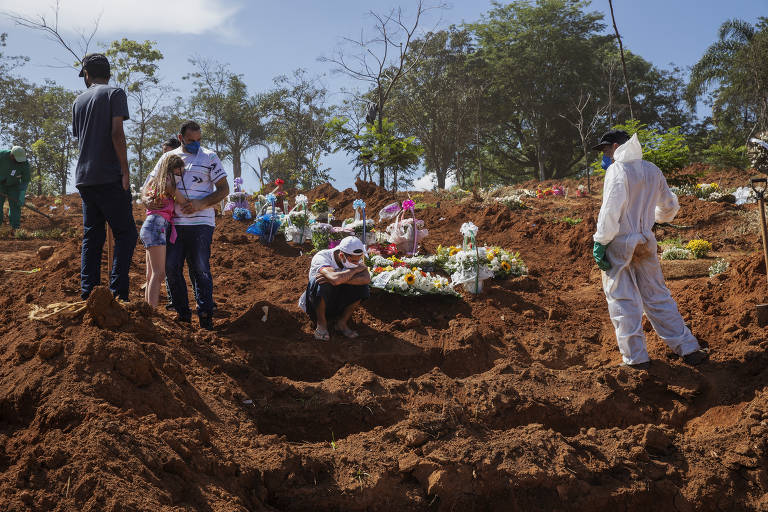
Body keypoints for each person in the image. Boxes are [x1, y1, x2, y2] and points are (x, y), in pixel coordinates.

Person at [592, 130, 709, 370]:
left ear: (615, 146)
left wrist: (600, 242)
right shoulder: (651, 169)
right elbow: (669, 207)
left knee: (623, 300)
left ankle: (636, 360)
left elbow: (610, 212)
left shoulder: (617, 170)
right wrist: (648, 220)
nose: (605, 156)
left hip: (620, 243)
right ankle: (688, 348)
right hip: (645, 240)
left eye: (605, 150)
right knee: (657, 295)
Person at [145, 121, 229, 330]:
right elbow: (150, 185)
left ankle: (205, 315)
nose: (196, 145)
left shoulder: (209, 157)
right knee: (171, 268)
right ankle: (183, 315)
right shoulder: (167, 157)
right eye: (191, 141)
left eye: (199, 140)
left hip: (202, 223)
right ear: (181, 138)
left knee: (200, 268)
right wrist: (148, 201)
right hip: (173, 223)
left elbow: (224, 189)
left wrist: (202, 203)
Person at [72, 53, 137, 302]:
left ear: (87, 75)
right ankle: (118, 294)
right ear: (108, 74)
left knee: (93, 235)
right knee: (126, 233)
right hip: (109, 176)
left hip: (85, 178)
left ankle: (88, 293)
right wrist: (125, 171)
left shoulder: (78, 101)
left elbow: (82, 138)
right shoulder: (114, 93)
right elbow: (116, 134)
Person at [300, 236, 371, 341]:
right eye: (353, 261)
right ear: (341, 255)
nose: (357, 263)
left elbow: (366, 279)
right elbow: (334, 279)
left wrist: (340, 279)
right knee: (322, 283)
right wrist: (353, 272)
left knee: (363, 287)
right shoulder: (322, 257)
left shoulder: (355, 257)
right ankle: (321, 324)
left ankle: (341, 323)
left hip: (337, 303)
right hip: (314, 303)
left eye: (359, 259)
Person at [140, 154, 187, 307]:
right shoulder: (168, 183)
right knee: (159, 273)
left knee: (150, 275)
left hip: (150, 226)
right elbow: (182, 201)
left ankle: (147, 310)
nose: (181, 175)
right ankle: (151, 311)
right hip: (157, 226)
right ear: (170, 171)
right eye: (179, 172)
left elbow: (144, 194)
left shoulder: (156, 182)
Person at [0, 146, 31, 236]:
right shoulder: (2, 155)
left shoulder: (24, 163)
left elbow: (25, 180)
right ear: (11, 155)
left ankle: (15, 228)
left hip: (14, 185)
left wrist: (22, 194)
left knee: (15, 206)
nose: (19, 162)